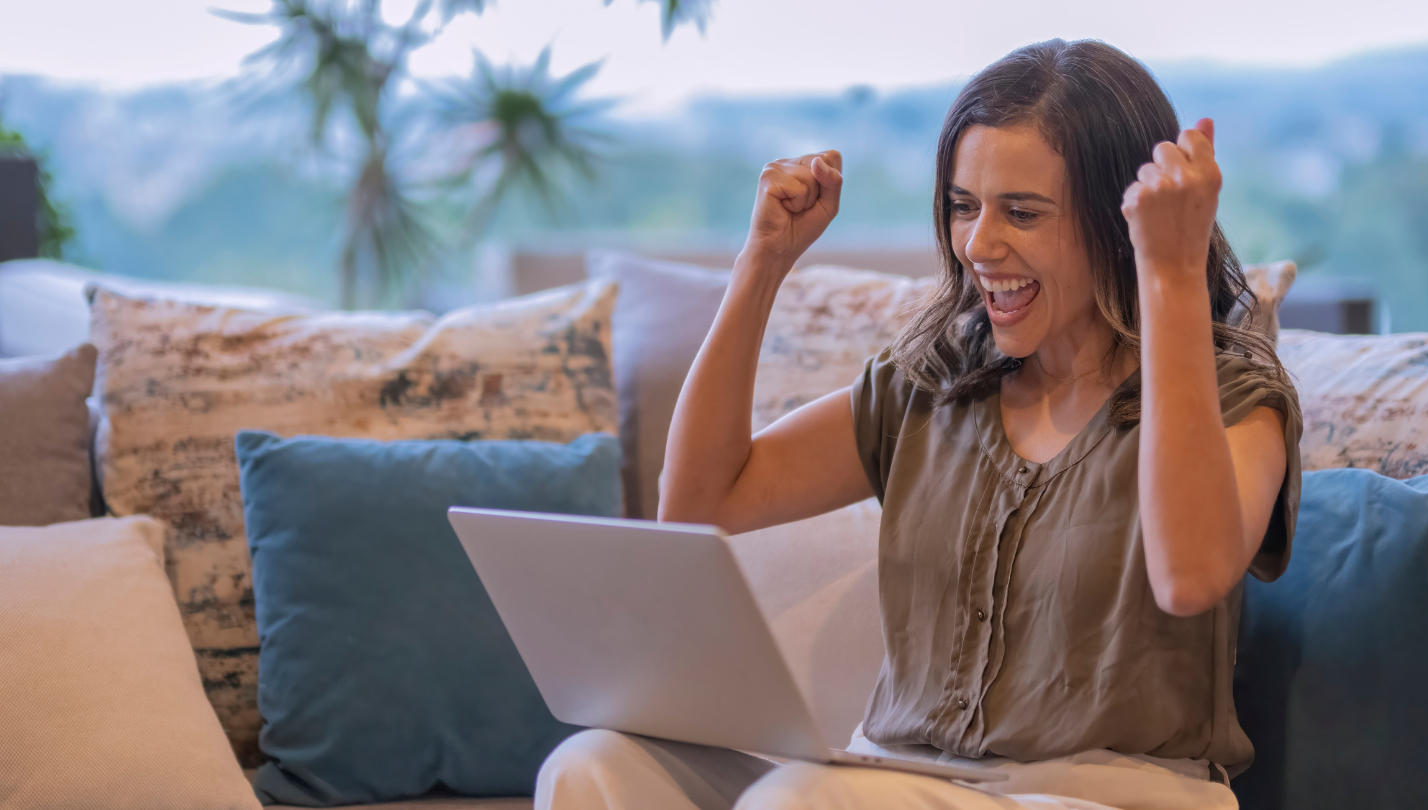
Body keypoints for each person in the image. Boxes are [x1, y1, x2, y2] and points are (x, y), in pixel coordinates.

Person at [534, 38, 1302, 810]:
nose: (979, 245)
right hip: (902, 781)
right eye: (964, 206)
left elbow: (1190, 576)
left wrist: (1169, 272)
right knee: (596, 766)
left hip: (1102, 795)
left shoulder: (1236, 397)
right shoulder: (934, 386)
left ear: (1119, 222)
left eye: (1022, 213)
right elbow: (701, 503)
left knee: (800, 801)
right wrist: (762, 262)